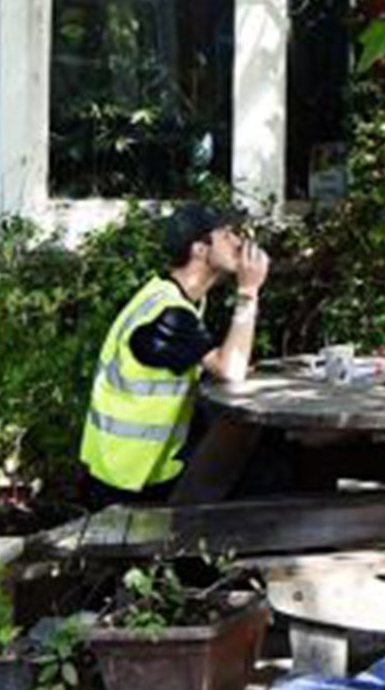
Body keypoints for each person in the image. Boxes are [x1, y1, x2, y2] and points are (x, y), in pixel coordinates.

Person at [80, 201, 271, 502]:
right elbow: (231, 370)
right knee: (262, 476)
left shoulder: (172, 298)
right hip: (129, 480)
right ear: (199, 249)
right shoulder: (167, 313)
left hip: (140, 467)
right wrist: (249, 291)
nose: (238, 242)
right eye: (226, 235)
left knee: (259, 465)